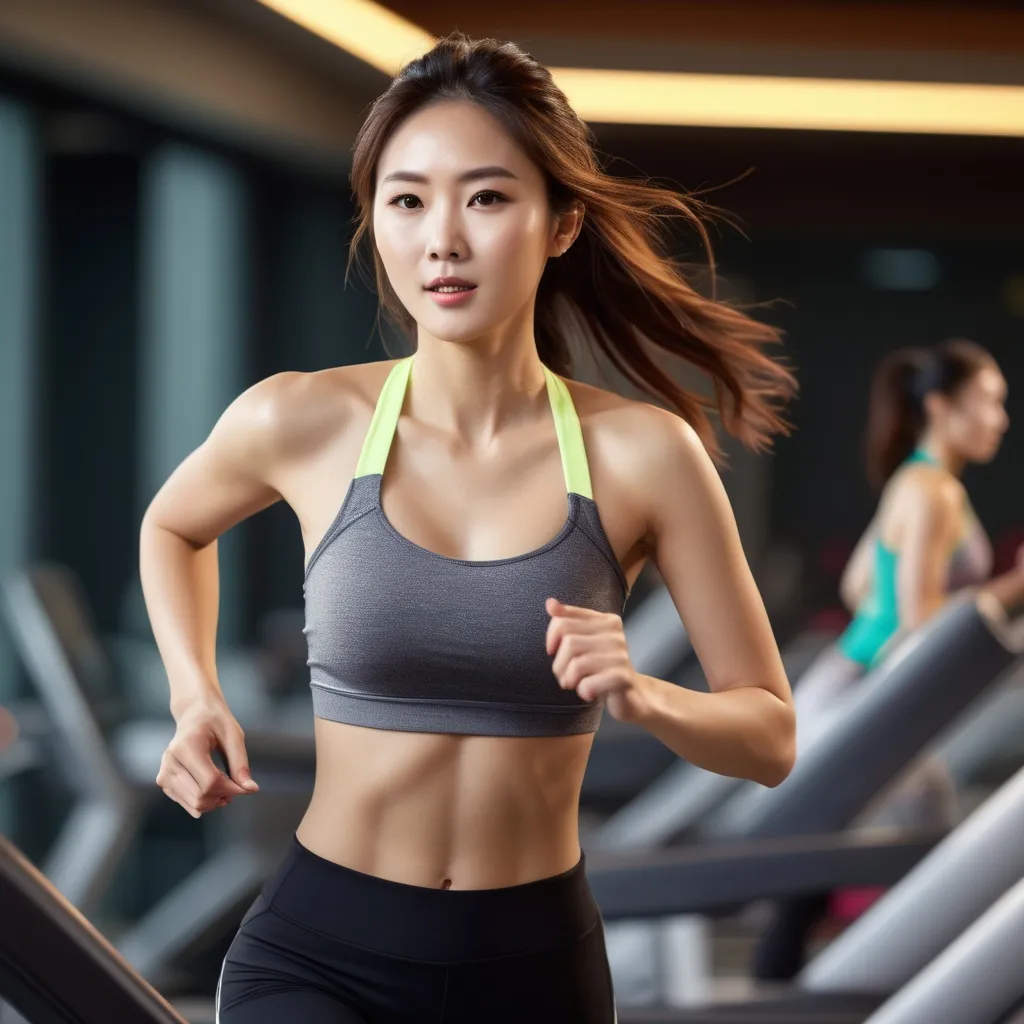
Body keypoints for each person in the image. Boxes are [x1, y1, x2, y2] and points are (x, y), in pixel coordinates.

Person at [141, 34, 797, 1023]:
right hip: (319, 956)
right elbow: (173, 528)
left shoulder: (644, 456)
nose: (440, 238)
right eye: (407, 200)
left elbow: (770, 736)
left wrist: (646, 696)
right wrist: (196, 697)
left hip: (533, 970)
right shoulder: (301, 419)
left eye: (486, 198)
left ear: (561, 221)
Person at [753, 338, 1010, 982]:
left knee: (817, 871)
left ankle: (791, 982)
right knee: (922, 860)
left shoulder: (915, 482)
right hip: (864, 696)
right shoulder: (934, 493)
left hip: (845, 685)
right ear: (943, 407)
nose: (1001, 419)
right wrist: (1011, 589)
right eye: (990, 403)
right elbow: (920, 619)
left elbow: (861, 586)